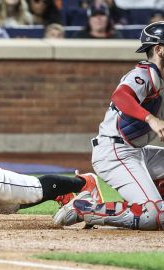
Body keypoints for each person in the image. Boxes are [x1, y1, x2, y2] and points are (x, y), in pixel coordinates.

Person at [54, 21, 164, 231]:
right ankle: (84, 207)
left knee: (158, 216)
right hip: (114, 152)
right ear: (159, 49)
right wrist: (150, 119)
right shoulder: (143, 73)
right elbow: (121, 96)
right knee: (154, 216)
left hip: (137, 152)